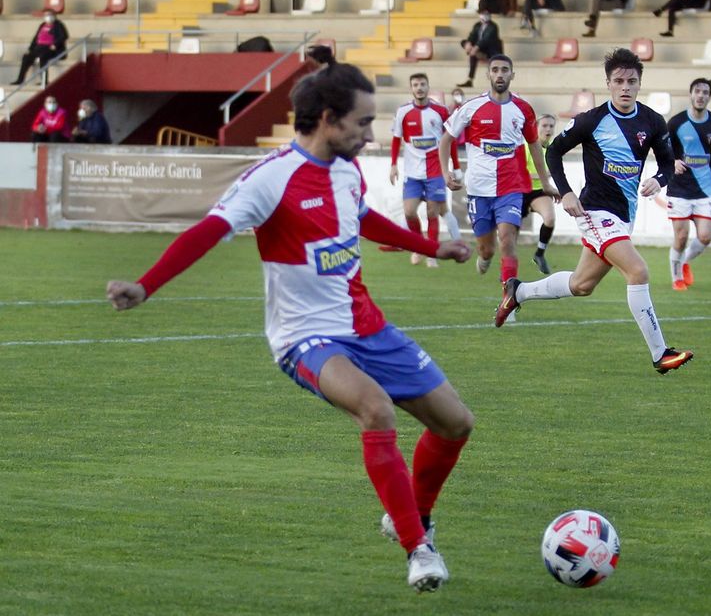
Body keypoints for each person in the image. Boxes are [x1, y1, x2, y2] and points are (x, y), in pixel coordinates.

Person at [106, 62, 477, 594]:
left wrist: (429, 245)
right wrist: (146, 285)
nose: (371, 135)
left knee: (456, 424)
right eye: (363, 122)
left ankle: (411, 515)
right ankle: (418, 547)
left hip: (366, 325)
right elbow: (208, 232)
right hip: (304, 337)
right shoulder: (269, 179)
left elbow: (364, 218)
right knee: (374, 408)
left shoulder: (347, 170)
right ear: (328, 119)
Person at [492, 49, 694, 376]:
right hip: (595, 212)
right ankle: (661, 354)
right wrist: (567, 191)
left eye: (631, 81)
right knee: (638, 271)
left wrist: (659, 180)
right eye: (619, 81)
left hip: (622, 216)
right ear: (608, 84)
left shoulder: (653, 122)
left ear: (639, 83)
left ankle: (519, 291)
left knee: (581, 284)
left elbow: (669, 163)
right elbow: (554, 151)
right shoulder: (592, 120)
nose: (625, 87)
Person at [441, 55, 552, 287]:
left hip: (510, 187)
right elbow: (446, 139)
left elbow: (534, 148)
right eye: (495, 70)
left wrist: (545, 183)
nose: (500, 74)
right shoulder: (471, 107)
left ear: (512, 74)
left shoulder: (523, 109)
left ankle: (508, 299)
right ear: (488, 74)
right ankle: (484, 256)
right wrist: (446, 172)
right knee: (487, 249)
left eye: (504, 70)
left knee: (507, 239)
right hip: (479, 189)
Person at [389, 73, 463, 268]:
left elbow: (451, 140)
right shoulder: (403, 111)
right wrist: (393, 164)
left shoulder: (440, 111)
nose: (419, 88)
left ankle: (431, 253)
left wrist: (455, 167)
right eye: (415, 84)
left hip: (435, 170)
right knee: (409, 212)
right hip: (412, 173)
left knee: (433, 212)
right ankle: (417, 246)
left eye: (422, 84)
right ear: (411, 88)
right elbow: (396, 138)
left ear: (428, 87)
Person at [666, 78, 711, 291]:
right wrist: (673, 161)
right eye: (697, 91)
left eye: (705, 92)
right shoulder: (676, 123)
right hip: (679, 189)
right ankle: (676, 278)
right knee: (681, 237)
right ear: (691, 94)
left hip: (705, 189)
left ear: (710, 96)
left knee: (705, 236)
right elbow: (664, 149)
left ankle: (684, 263)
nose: (701, 95)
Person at [524, 114, 559, 275]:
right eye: (544, 126)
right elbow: (519, 173)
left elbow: (555, 172)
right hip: (520, 191)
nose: (548, 129)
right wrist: (543, 175)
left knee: (550, 218)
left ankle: (539, 254)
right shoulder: (526, 146)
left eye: (551, 126)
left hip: (539, 191)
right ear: (536, 128)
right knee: (510, 232)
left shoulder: (553, 148)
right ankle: (507, 268)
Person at [11, 10, 69, 86]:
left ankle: (44, 81)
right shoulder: (42, 25)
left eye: (49, 15)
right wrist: (30, 49)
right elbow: (35, 39)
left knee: (43, 57)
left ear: (54, 16)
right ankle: (20, 80)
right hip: (39, 48)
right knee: (26, 57)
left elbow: (64, 36)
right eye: (46, 15)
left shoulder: (58, 25)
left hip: (51, 48)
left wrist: (55, 45)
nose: (48, 17)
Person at [456, 10, 502, 88]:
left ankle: (496, 81)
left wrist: (476, 48)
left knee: (473, 53)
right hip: (479, 50)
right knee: (464, 43)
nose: (485, 15)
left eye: (487, 14)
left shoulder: (493, 26)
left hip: (491, 51)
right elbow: (472, 36)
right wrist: (468, 44)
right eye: (483, 14)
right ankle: (470, 80)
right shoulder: (477, 25)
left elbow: (486, 40)